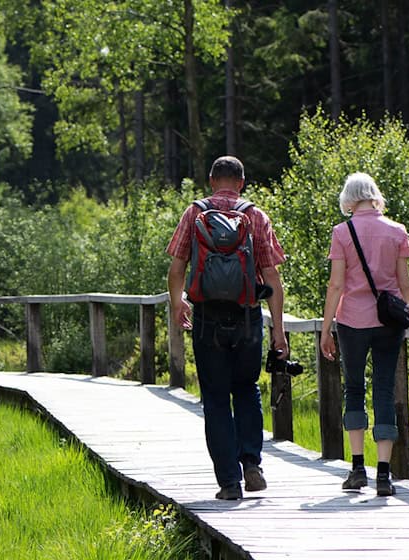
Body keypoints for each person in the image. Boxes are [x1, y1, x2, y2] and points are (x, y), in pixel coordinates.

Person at [166, 155, 288, 500]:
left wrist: (178, 303)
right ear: (242, 183)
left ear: (210, 180)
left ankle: (229, 483)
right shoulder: (255, 215)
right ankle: (251, 463)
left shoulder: (194, 213)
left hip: (207, 318)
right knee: (247, 389)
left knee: (216, 399)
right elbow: (272, 279)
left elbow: (177, 268)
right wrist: (278, 331)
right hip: (247, 317)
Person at [319, 172, 409, 497]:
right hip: (388, 324)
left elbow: (337, 284)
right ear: (373, 194)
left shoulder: (341, 232)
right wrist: (400, 311)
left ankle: (358, 469)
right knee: (384, 391)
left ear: (349, 198)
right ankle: (384, 475)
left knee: (354, 390)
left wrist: (326, 326)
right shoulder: (397, 231)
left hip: (352, 322)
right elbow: (404, 284)